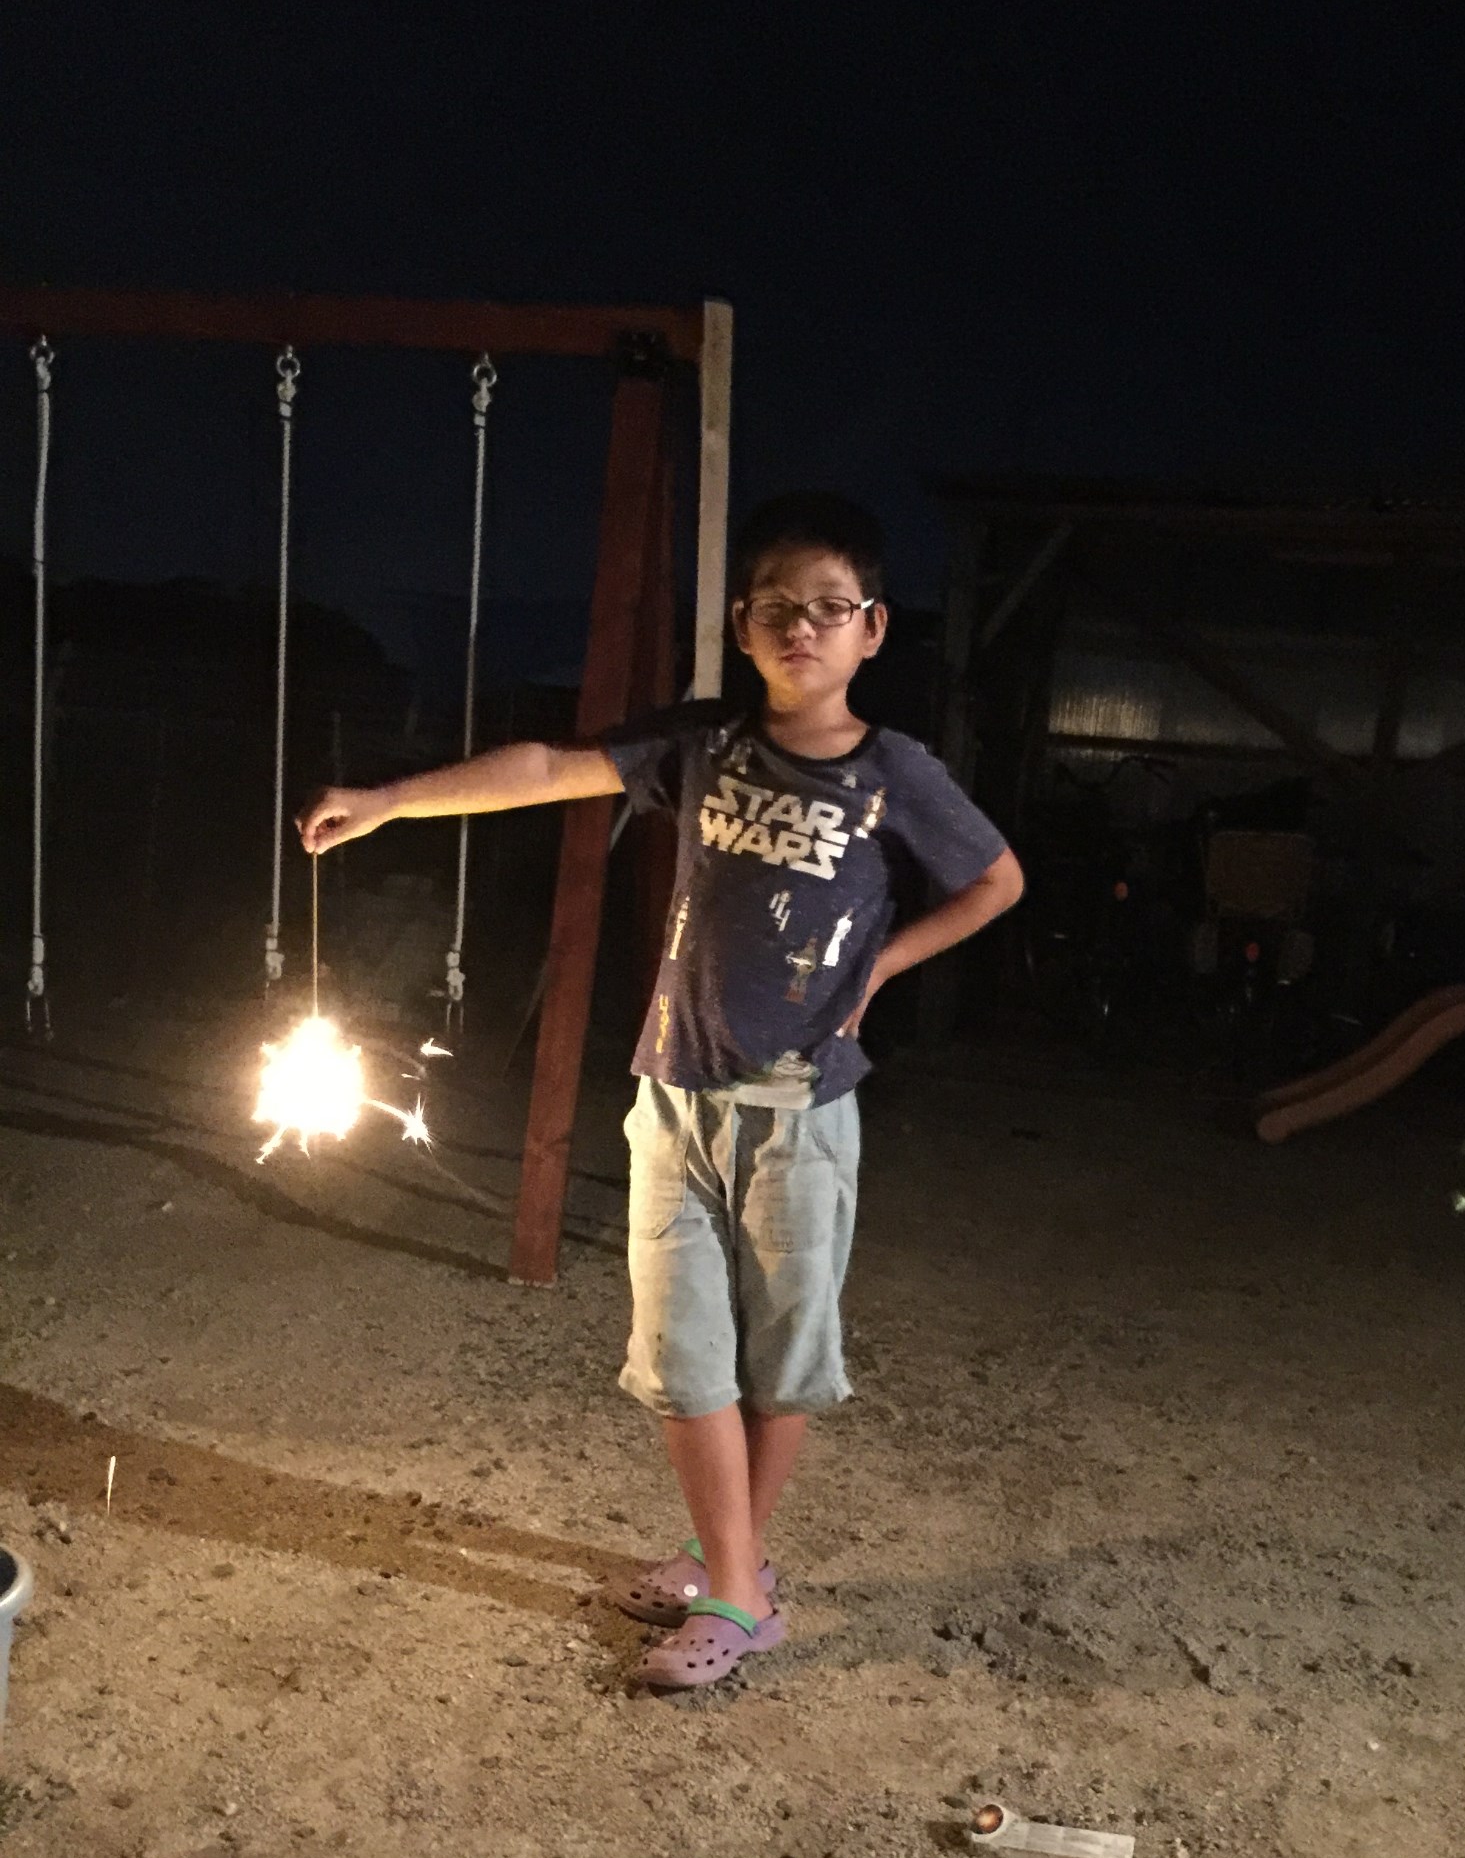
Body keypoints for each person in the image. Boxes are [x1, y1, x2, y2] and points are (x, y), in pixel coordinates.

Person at [300, 492, 1023, 1690]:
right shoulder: (704, 746)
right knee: (686, 1357)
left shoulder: (895, 773)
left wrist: (882, 967)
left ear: (873, 629)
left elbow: (998, 880)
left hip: (800, 1113)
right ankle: (734, 1581)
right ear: (743, 626)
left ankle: (732, 1580)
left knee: (778, 1361)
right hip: (673, 1098)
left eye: (830, 608)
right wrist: (390, 800)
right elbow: (551, 766)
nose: (803, 628)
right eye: (778, 607)